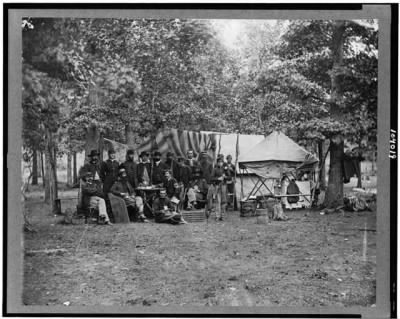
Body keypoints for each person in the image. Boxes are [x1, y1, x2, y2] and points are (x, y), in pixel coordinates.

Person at [209, 157, 228, 221]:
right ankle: (217, 216)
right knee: (218, 201)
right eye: (219, 162)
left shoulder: (225, 169)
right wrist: (218, 179)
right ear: (217, 163)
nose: (220, 163)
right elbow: (211, 178)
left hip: (224, 186)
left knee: (224, 202)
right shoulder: (214, 170)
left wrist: (226, 177)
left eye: (221, 162)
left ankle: (222, 216)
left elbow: (230, 176)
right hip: (217, 186)